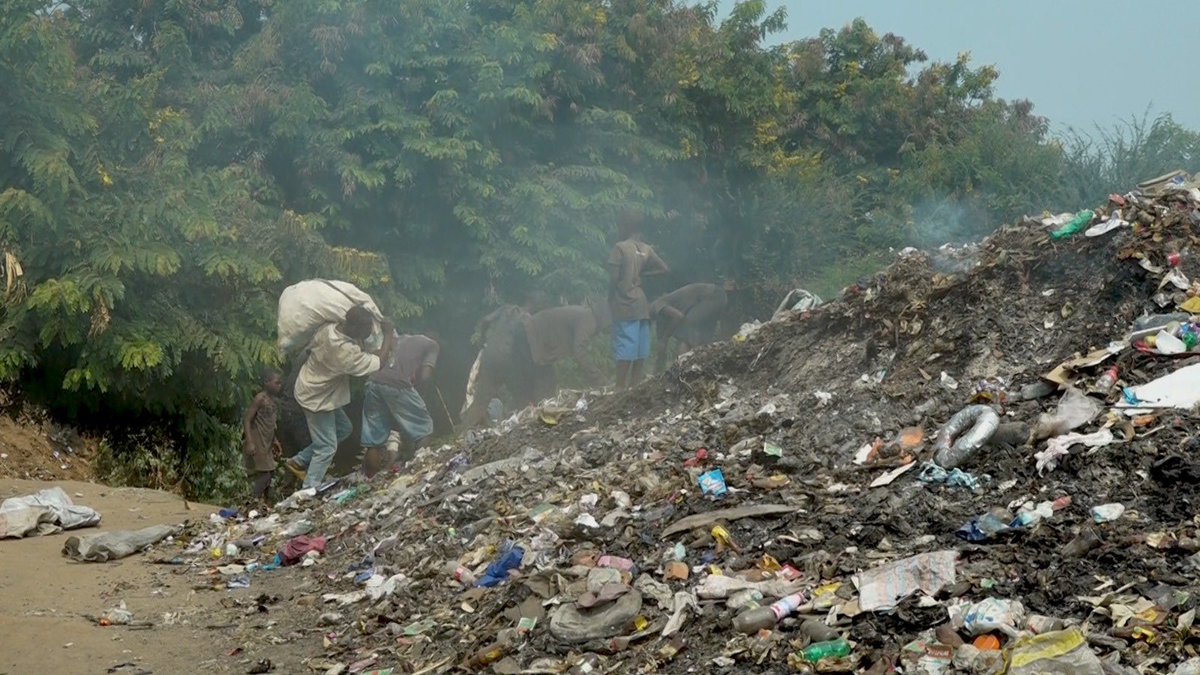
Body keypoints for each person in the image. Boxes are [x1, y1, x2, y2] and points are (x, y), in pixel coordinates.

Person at [287, 306, 387, 490]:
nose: (369, 333)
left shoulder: (329, 328)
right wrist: (388, 338)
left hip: (317, 388)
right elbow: (378, 363)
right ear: (355, 328)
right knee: (326, 447)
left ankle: (298, 461)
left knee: (344, 428)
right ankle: (309, 488)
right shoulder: (343, 351)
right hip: (316, 397)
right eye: (366, 330)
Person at [360, 331, 439, 476]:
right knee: (424, 428)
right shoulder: (433, 345)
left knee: (373, 440)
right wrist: (419, 396)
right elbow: (425, 376)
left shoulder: (402, 338)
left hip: (373, 382)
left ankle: (370, 479)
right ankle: (419, 470)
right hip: (397, 384)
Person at [461, 292, 545, 427]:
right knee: (522, 396)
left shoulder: (506, 308)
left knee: (480, 400)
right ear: (536, 305)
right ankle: (529, 428)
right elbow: (526, 350)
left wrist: (482, 340)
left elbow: (485, 321)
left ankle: (463, 436)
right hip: (508, 360)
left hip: (489, 355)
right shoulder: (528, 319)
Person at [607, 213, 668, 389]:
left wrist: (610, 299)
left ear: (626, 226)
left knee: (625, 348)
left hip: (625, 302)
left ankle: (620, 389)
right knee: (640, 349)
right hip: (642, 304)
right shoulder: (646, 249)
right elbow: (664, 269)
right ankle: (634, 387)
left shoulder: (620, 247)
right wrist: (642, 275)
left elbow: (613, 280)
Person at [521, 299, 611, 400]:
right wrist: (600, 380)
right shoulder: (588, 319)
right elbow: (580, 351)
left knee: (545, 383)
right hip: (530, 338)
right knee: (543, 385)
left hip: (533, 337)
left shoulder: (586, 315)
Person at [651, 282, 729, 372]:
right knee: (702, 339)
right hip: (718, 297)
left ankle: (682, 368)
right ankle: (702, 368)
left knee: (687, 331)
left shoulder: (655, 305)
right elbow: (662, 344)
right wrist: (658, 367)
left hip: (713, 295)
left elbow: (679, 316)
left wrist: (666, 337)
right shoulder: (659, 317)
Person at [243, 368, 283, 505]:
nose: (279, 386)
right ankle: (253, 502)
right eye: (276, 382)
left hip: (267, 443)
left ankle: (265, 506)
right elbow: (247, 420)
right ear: (266, 382)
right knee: (265, 475)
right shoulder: (260, 398)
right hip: (258, 442)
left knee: (270, 475)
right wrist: (250, 442)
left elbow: (271, 424)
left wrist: (275, 441)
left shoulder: (273, 401)